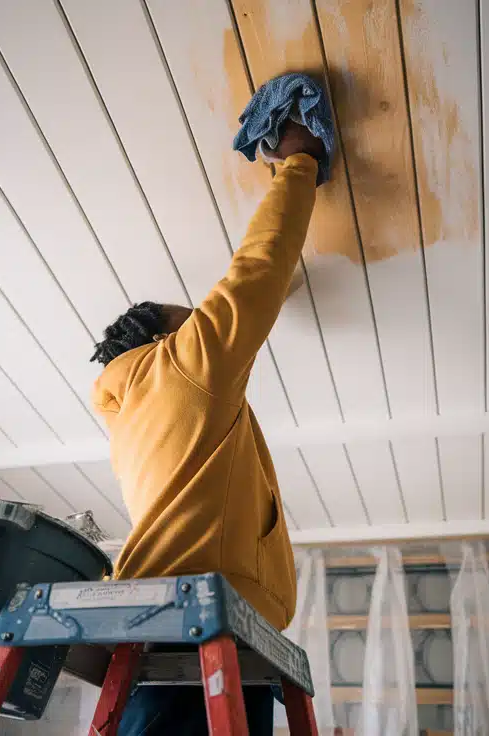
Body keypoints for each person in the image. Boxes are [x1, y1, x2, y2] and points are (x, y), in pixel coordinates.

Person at [88, 120, 326, 735]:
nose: (202, 323)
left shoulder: (130, 416)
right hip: (198, 632)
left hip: (184, 632)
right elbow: (257, 270)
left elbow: (259, 280)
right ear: (164, 337)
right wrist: (298, 161)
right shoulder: (179, 366)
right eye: (189, 318)